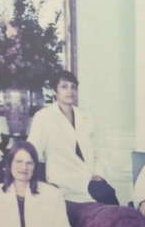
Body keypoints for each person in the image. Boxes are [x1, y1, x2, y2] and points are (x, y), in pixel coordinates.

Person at [28, 70, 119, 210]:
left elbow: (101, 152)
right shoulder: (43, 117)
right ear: (54, 91)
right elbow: (32, 152)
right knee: (107, 195)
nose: (70, 91)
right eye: (64, 87)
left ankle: (128, 218)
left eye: (73, 87)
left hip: (91, 181)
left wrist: (99, 174)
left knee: (107, 194)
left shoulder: (87, 118)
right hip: (64, 184)